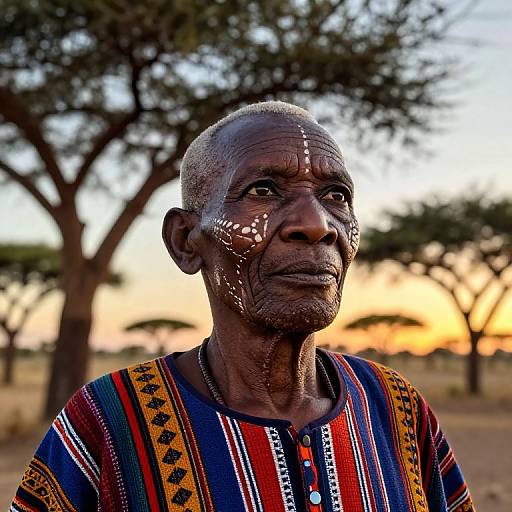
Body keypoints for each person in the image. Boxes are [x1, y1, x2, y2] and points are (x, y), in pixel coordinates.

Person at [11, 102, 474, 512]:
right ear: (185, 242)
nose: (317, 225)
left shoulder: (396, 408)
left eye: (337, 196)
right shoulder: (108, 422)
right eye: (264, 190)